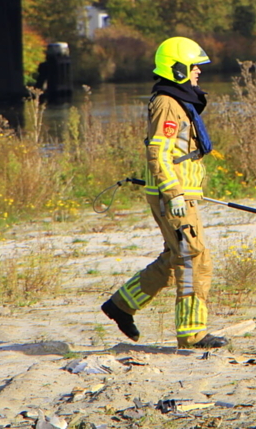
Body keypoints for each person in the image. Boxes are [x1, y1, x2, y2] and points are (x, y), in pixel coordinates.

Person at [101, 37, 228, 349]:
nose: (198, 71)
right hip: (175, 196)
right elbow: (158, 153)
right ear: (178, 69)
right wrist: (174, 193)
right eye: (193, 66)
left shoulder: (177, 100)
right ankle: (192, 334)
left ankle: (121, 305)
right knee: (194, 258)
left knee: (176, 257)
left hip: (182, 193)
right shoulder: (168, 104)